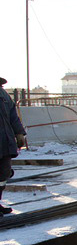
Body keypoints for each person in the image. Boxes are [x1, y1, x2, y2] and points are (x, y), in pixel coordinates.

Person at [0, 77, 27, 216]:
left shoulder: (3, 95)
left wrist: (19, 133)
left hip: (5, 143)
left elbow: (13, 116)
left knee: (3, 175)